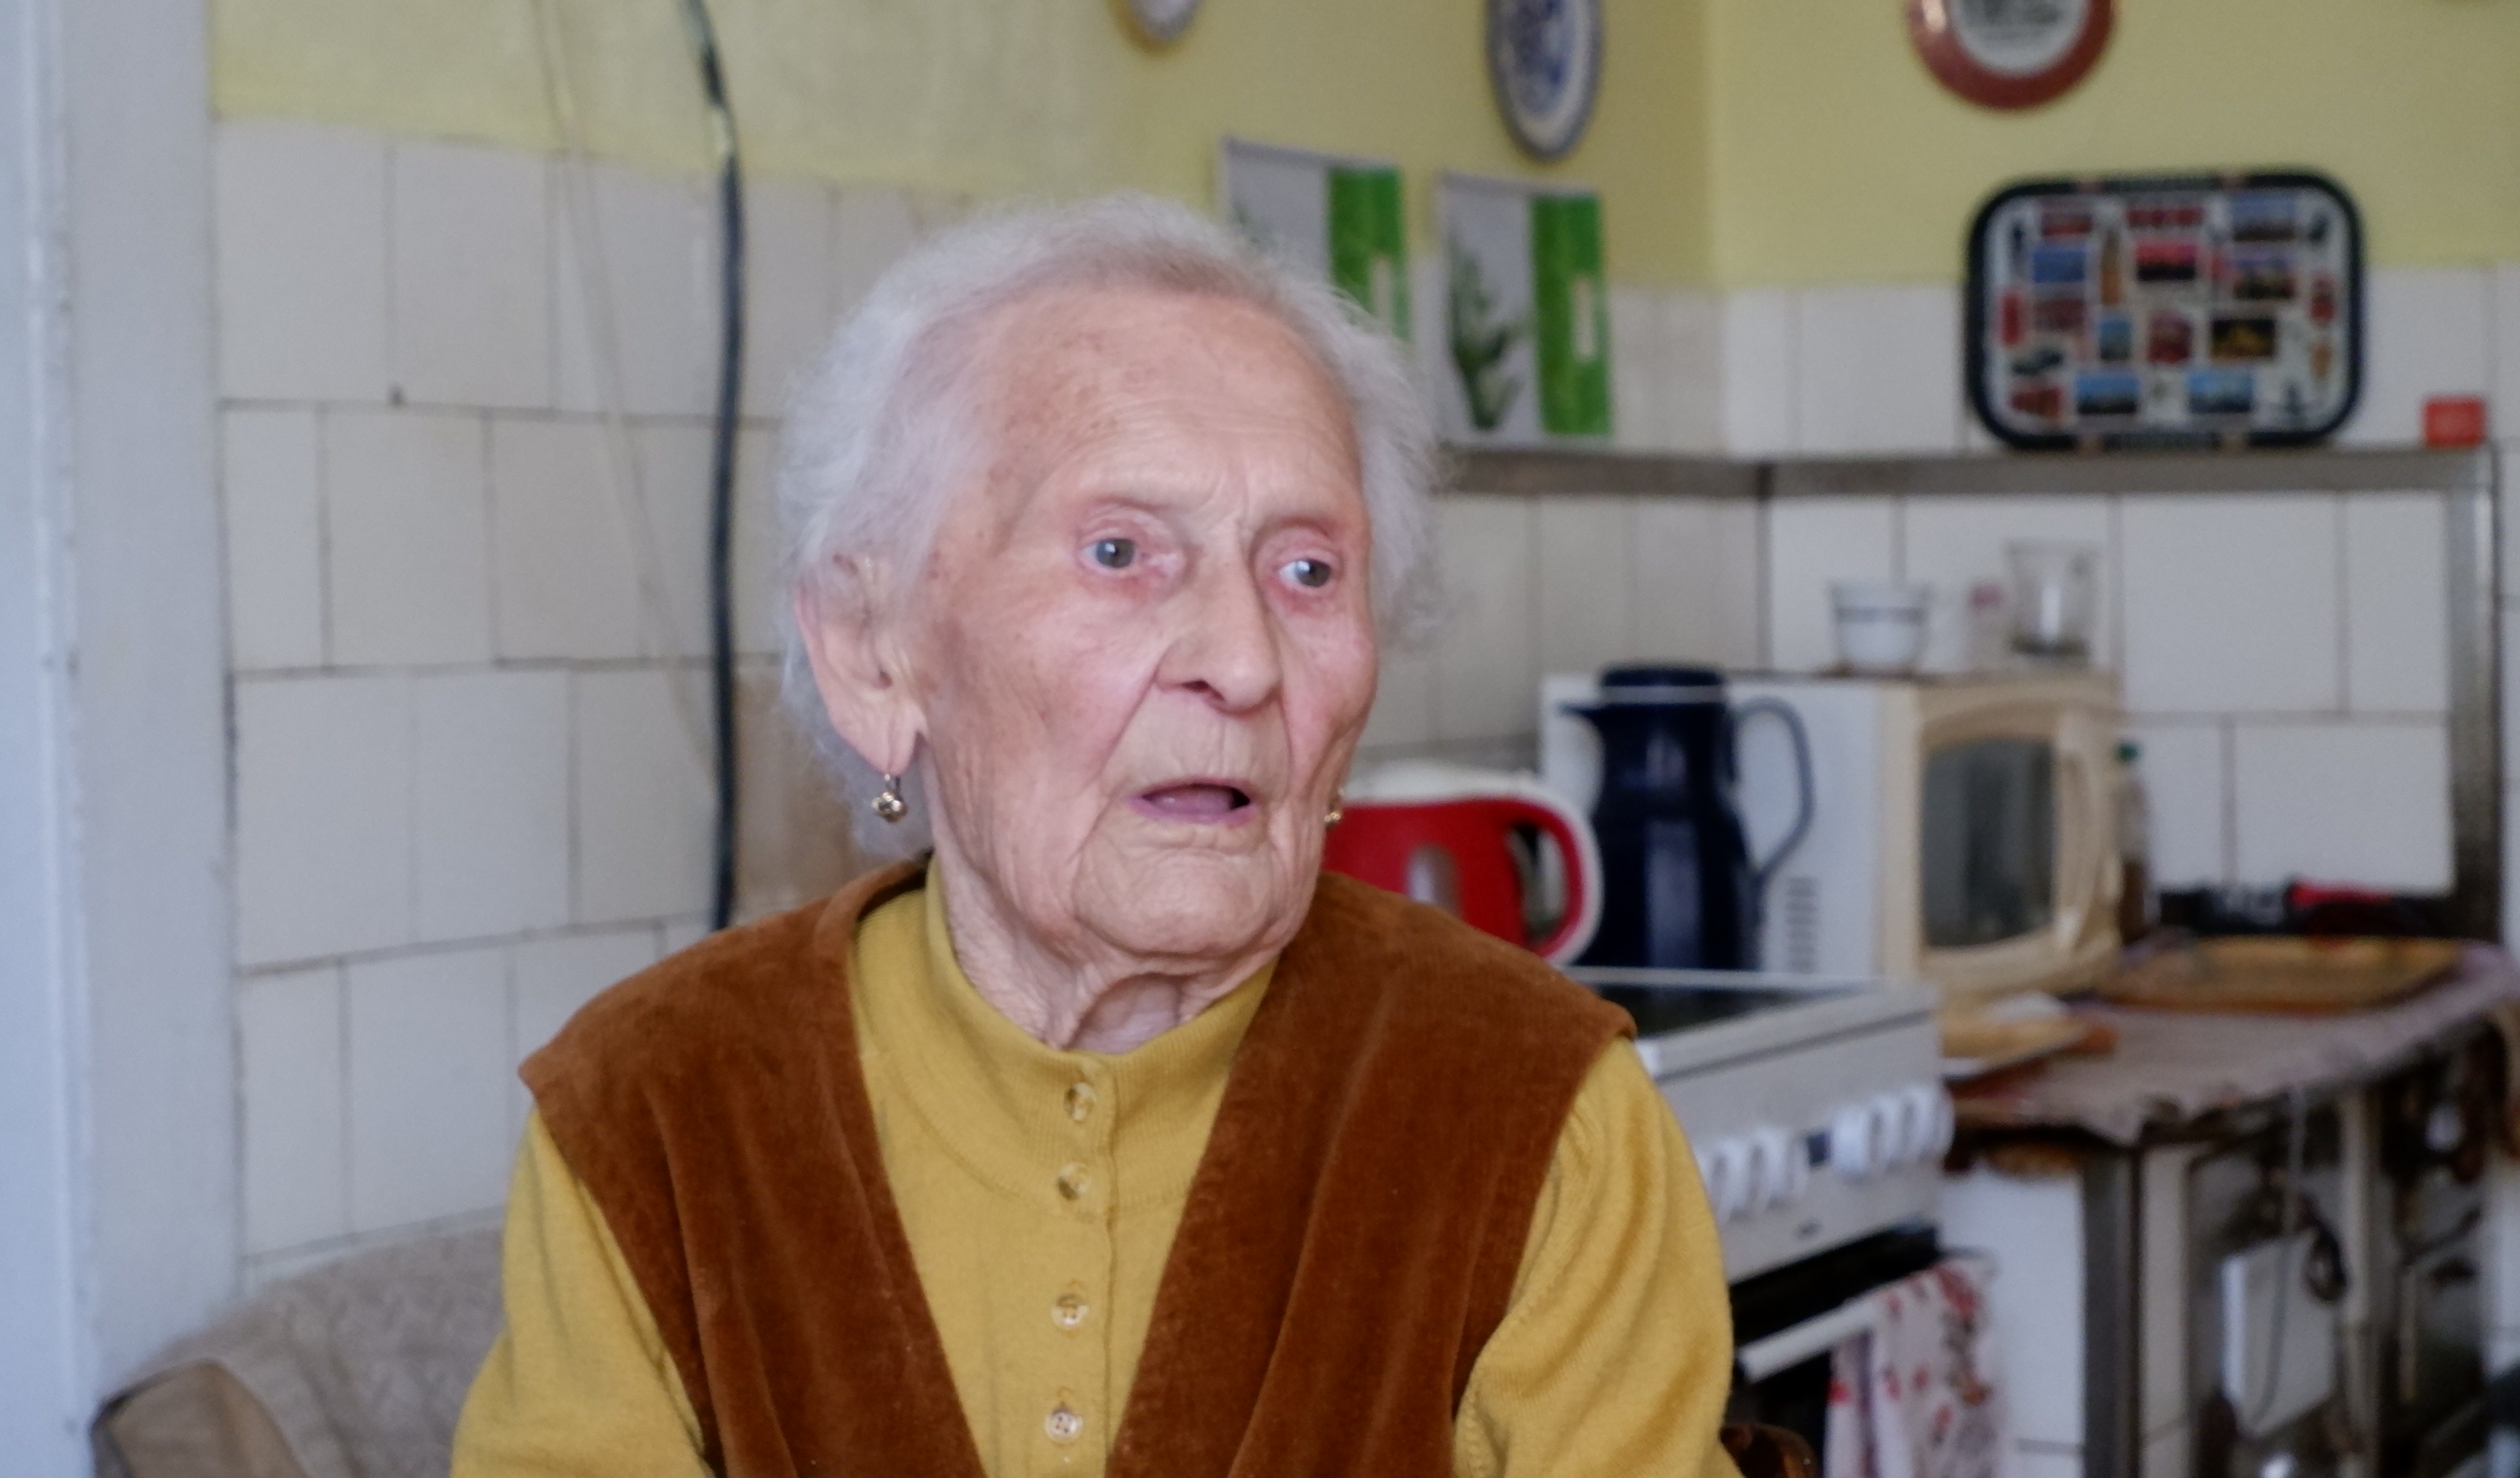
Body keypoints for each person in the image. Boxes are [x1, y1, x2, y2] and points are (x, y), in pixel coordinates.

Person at [451, 194, 1738, 1478]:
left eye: (1307, 571)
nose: (1243, 662)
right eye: (1120, 551)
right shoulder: (652, 1115)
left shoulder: (1540, 1115)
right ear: (871, 650)